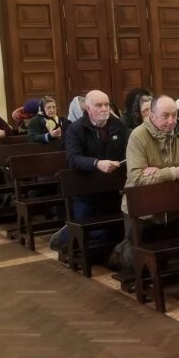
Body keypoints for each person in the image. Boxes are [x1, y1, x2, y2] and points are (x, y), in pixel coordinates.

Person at [120, 95, 179, 269]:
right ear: (152, 115)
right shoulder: (138, 136)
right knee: (135, 262)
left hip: (172, 206)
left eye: (174, 115)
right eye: (165, 115)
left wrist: (158, 172)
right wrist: (173, 172)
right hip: (142, 208)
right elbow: (138, 178)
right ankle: (120, 252)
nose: (171, 120)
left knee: (162, 259)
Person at [49, 89, 130, 252]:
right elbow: (72, 158)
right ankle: (65, 237)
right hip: (86, 189)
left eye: (107, 105)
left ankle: (104, 251)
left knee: (114, 231)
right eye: (99, 105)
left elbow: (126, 150)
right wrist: (96, 163)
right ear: (88, 108)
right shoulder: (75, 129)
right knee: (82, 232)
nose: (104, 109)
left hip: (112, 188)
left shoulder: (118, 126)